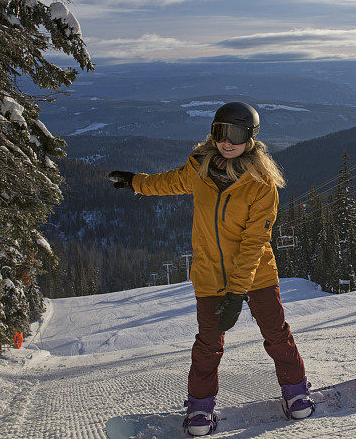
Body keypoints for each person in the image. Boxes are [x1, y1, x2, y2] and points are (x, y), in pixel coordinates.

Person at [109, 102, 314, 437]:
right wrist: (137, 183)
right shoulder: (200, 169)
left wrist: (237, 293)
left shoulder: (261, 184)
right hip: (208, 275)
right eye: (220, 132)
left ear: (250, 137)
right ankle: (200, 407)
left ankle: (296, 390)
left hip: (256, 274)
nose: (226, 141)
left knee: (276, 334)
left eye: (235, 133)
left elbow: (253, 244)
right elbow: (169, 182)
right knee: (208, 344)